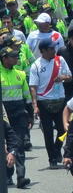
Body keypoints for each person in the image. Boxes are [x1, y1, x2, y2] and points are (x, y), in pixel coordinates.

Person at [29, 38, 71, 170]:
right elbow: (33, 87)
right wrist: (35, 105)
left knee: (62, 130)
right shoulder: (36, 65)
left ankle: (57, 148)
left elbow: (69, 76)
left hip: (59, 99)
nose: (54, 50)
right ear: (43, 51)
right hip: (44, 102)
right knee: (47, 132)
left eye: (54, 48)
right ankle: (52, 158)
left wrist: (62, 78)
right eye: (51, 49)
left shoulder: (60, 60)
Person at [0, 43, 32, 188]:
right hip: (3, 116)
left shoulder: (20, 74)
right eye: (13, 57)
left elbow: (27, 96)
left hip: (19, 114)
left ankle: (21, 177)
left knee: (18, 145)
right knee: (4, 146)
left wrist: (30, 114)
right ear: (4, 58)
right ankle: (7, 175)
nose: (16, 59)